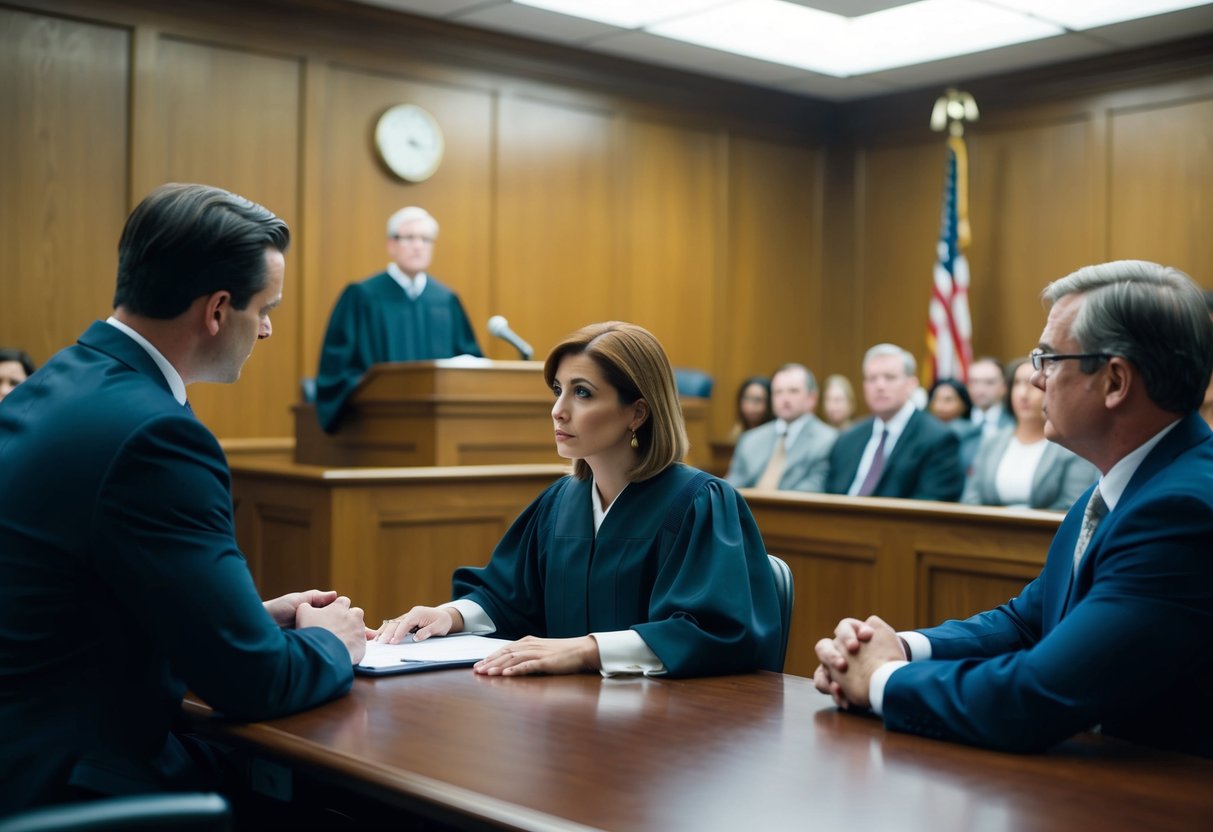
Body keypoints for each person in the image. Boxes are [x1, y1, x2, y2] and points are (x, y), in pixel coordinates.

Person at [0, 184, 367, 814]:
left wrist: (246, 617)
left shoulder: (54, 384)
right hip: (77, 780)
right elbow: (252, 682)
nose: (270, 328)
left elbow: (86, 589)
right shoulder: (158, 435)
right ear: (219, 310)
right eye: (267, 307)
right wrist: (334, 641)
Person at [814, 260, 1213, 756]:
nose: (1036, 381)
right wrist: (903, 647)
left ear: (1114, 382)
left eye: (1048, 359)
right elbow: (1026, 623)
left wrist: (879, 681)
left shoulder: (1181, 510)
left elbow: (1032, 696)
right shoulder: (1126, 484)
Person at [375, 321, 783, 678]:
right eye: (558, 390)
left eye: (583, 393)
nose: (558, 410)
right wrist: (448, 616)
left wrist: (587, 650)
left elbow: (713, 632)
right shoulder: (558, 505)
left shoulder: (698, 503)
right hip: (565, 722)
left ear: (636, 413)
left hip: (667, 735)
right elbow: (509, 598)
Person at [314, 206, 482, 432]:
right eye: (409, 238)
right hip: (379, 423)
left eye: (426, 239)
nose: (418, 246)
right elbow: (338, 369)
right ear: (391, 245)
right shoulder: (362, 296)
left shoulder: (446, 300)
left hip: (439, 425)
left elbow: (470, 360)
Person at [824, 344, 965, 501]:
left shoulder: (938, 440)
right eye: (872, 379)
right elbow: (829, 494)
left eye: (890, 377)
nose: (880, 386)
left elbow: (932, 507)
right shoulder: (848, 438)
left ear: (911, 385)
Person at [962, 358, 1097, 511]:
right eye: (1017, 383)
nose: (1023, 393)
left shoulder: (1071, 447)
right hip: (987, 533)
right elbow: (971, 499)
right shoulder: (991, 442)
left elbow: (1072, 506)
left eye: (1033, 385)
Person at [726, 363, 837, 492]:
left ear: (811, 398)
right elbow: (731, 487)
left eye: (793, 391)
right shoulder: (750, 439)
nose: (785, 398)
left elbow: (814, 488)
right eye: (778, 392)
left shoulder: (829, 440)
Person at [928, 377, 982, 471]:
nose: (939, 406)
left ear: (964, 405)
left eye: (948, 400)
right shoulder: (923, 431)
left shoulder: (973, 434)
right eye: (935, 399)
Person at [967, 356, 1014, 439]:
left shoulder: (1015, 423)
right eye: (974, 382)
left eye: (989, 382)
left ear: (1004, 387)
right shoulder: (955, 425)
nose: (980, 390)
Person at [729, 375, 773, 441]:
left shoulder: (775, 436)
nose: (750, 406)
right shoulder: (736, 433)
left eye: (758, 400)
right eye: (746, 398)